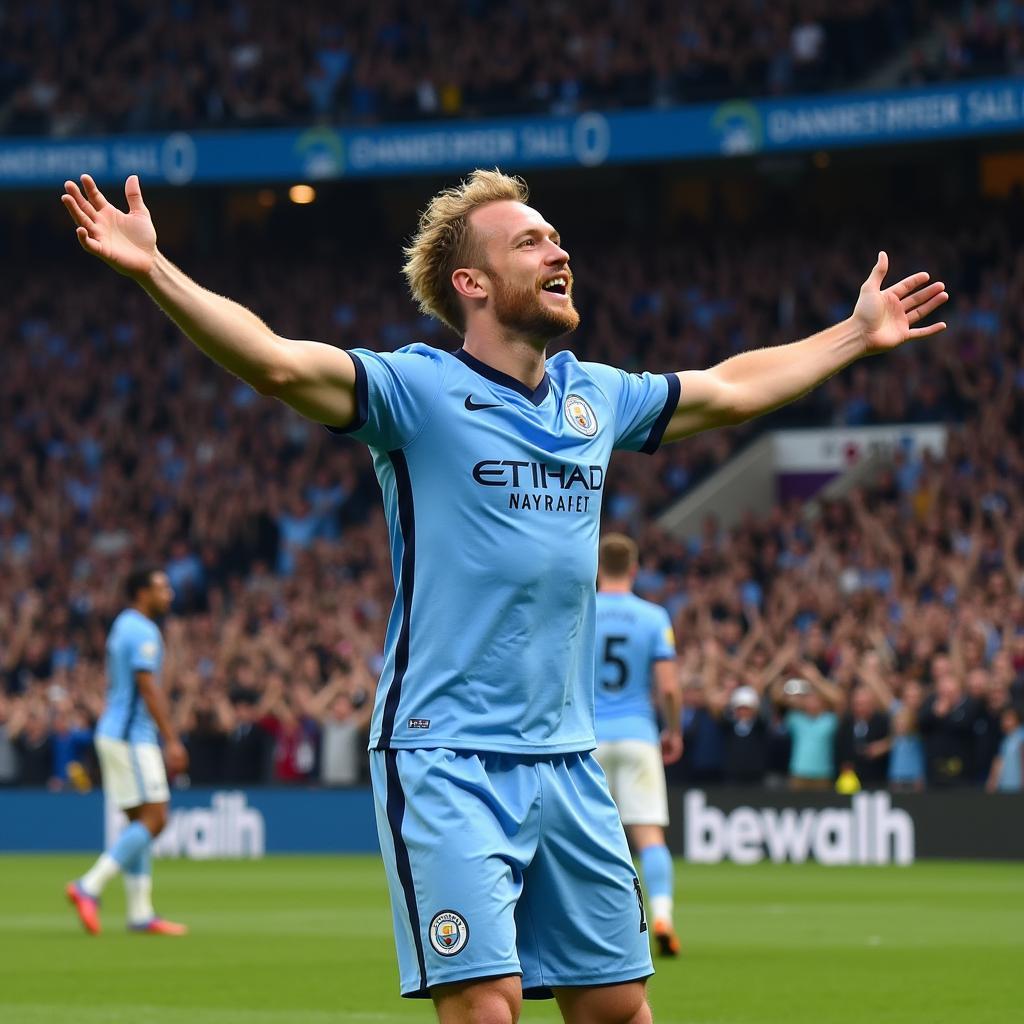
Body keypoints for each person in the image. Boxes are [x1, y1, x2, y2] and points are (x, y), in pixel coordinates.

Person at [61, 167, 947, 1024]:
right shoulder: (416, 390)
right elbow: (281, 366)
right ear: (472, 283)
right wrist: (156, 270)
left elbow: (728, 388)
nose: (558, 251)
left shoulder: (596, 397)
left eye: (557, 237)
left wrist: (854, 335)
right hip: (445, 754)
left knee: (615, 1006)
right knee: (487, 1007)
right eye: (530, 241)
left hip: (568, 758)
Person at [65, 565, 189, 936]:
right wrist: (171, 738)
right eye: (161, 588)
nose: (169, 593)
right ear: (141, 593)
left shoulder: (123, 624)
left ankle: (140, 913)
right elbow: (147, 686)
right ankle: (89, 886)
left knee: (141, 821)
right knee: (157, 817)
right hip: (131, 736)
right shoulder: (141, 629)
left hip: (115, 732)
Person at [592, 533, 683, 957]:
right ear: (634, 568)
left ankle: (594, 926)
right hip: (638, 734)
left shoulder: (581, 610)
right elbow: (667, 686)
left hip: (586, 740)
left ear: (597, 566)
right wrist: (674, 729)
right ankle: (662, 915)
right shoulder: (652, 616)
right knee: (648, 835)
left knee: (588, 837)